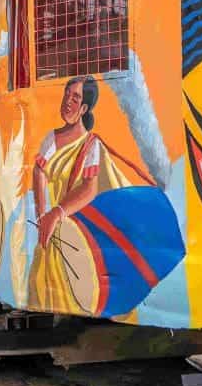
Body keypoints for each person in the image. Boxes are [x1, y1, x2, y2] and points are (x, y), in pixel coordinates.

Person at [29, 76, 130, 314]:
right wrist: (43, 213)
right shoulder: (51, 139)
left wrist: (57, 213)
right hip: (51, 233)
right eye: (67, 94)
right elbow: (39, 171)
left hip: (77, 238)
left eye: (75, 98)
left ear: (84, 108)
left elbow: (89, 188)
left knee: (76, 295)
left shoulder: (91, 145)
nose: (67, 102)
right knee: (41, 288)